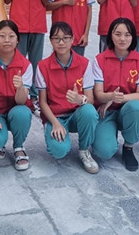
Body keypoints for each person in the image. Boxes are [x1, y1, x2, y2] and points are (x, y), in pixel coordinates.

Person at [36, 22, 99, 174]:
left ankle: (84, 150)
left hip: (77, 115)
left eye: (65, 38)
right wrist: (55, 123)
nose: (61, 42)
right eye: (56, 38)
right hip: (56, 116)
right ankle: (53, 132)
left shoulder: (84, 64)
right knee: (59, 151)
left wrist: (80, 99)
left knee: (89, 111)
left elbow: (90, 99)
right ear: (51, 41)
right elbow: (42, 102)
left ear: (72, 39)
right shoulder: (43, 66)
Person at [91, 18, 139, 171]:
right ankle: (107, 135)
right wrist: (109, 97)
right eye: (118, 34)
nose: (122, 39)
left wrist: (117, 98)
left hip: (128, 109)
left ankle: (129, 147)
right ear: (111, 36)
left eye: (127, 35)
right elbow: (98, 94)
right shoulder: (100, 60)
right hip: (106, 112)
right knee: (103, 152)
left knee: (137, 107)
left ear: (133, 37)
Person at [4, 0, 51, 112]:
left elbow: (47, 3)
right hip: (18, 26)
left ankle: (34, 96)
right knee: (18, 61)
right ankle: (17, 94)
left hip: (38, 25)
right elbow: (6, 0)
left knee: (36, 62)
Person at [0, 20, 34, 170]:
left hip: (16, 109)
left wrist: (20, 87)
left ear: (17, 40)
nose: (7, 40)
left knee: (22, 113)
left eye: (11, 36)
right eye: (2, 36)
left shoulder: (25, 65)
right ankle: (0, 141)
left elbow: (21, 101)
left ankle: (18, 147)